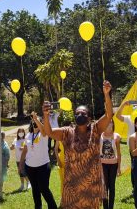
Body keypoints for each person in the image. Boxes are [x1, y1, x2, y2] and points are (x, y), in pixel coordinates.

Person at [42, 80, 113, 209]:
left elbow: (109, 115)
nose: (80, 115)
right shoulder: (66, 132)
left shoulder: (96, 130)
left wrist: (107, 94)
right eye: (77, 113)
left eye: (83, 113)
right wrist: (46, 116)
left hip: (91, 188)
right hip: (72, 188)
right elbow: (49, 132)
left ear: (89, 118)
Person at [19, 112, 57, 209]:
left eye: (37, 121)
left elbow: (44, 131)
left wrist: (36, 119)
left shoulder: (44, 134)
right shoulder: (28, 136)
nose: (35, 123)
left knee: (44, 189)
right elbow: (24, 151)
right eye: (33, 121)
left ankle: (52, 207)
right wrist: (21, 165)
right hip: (30, 167)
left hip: (43, 166)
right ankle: (38, 207)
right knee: (35, 189)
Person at [100, 119, 121, 209]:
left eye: (111, 122)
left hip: (113, 164)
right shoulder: (99, 136)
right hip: (102, 164)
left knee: (112, 186)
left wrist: (119, 167)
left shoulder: (117, 136)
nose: (109, 124)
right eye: (107, 122)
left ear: (113, 124)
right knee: (104, 187)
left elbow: (119, 153)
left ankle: (111, 207)